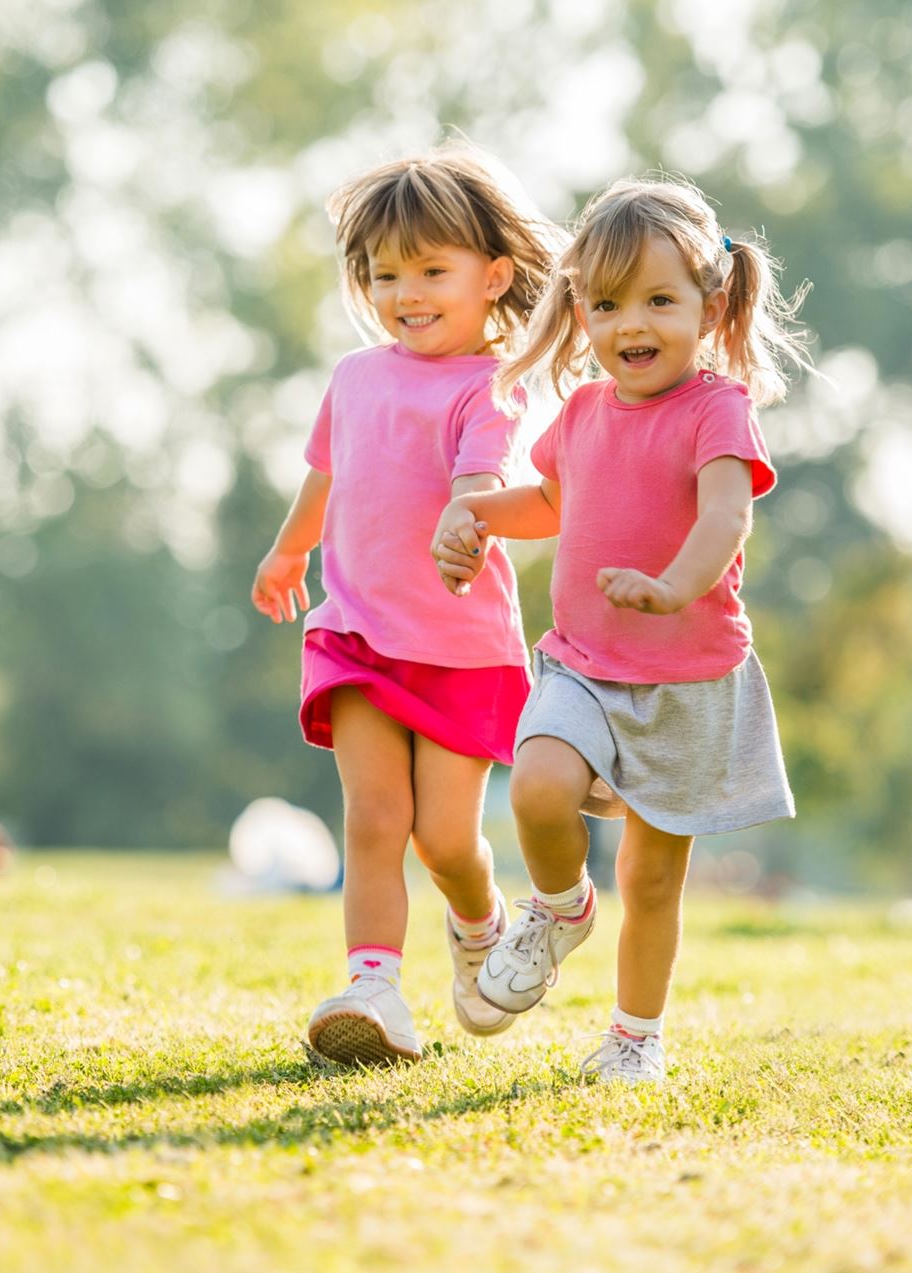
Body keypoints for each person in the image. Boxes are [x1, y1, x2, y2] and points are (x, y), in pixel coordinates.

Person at [431, 175, 810, 1084]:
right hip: (586, 665)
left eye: (658, 301)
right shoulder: (586, 413)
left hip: (686, 679)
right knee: (536, 785)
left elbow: (726, 516)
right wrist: (478, 511)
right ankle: (560, 906)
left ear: (709, 305)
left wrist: (675, 586)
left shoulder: (717, 408)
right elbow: (554, 500)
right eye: (605, 305)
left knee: (650, 878)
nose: (630, 324)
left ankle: (635, 1035)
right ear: (579, 313)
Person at [250, 142, 561, 1066]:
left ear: (493, 275)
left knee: (444, 839)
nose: (406, 292)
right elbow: (325, 475)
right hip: (353, 632)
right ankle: (373, 988)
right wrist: (288, 549)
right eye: (385, 274)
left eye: (432, 270)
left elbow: (481, 482)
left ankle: (480, 920)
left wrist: (464, 528)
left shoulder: (489, 385)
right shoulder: (354, 378)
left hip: (461, 647)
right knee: (374, 820)